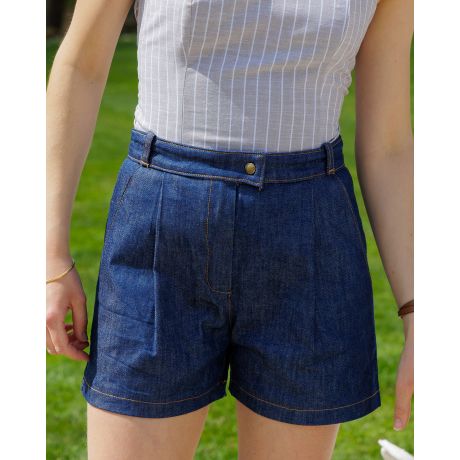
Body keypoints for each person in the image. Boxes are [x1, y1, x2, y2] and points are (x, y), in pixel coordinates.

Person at [46, 0, 414, 458]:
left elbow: (389, 144)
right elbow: (81, 65)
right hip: (161, 228)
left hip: (310, 235)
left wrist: (417, 309)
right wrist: (49, 254)